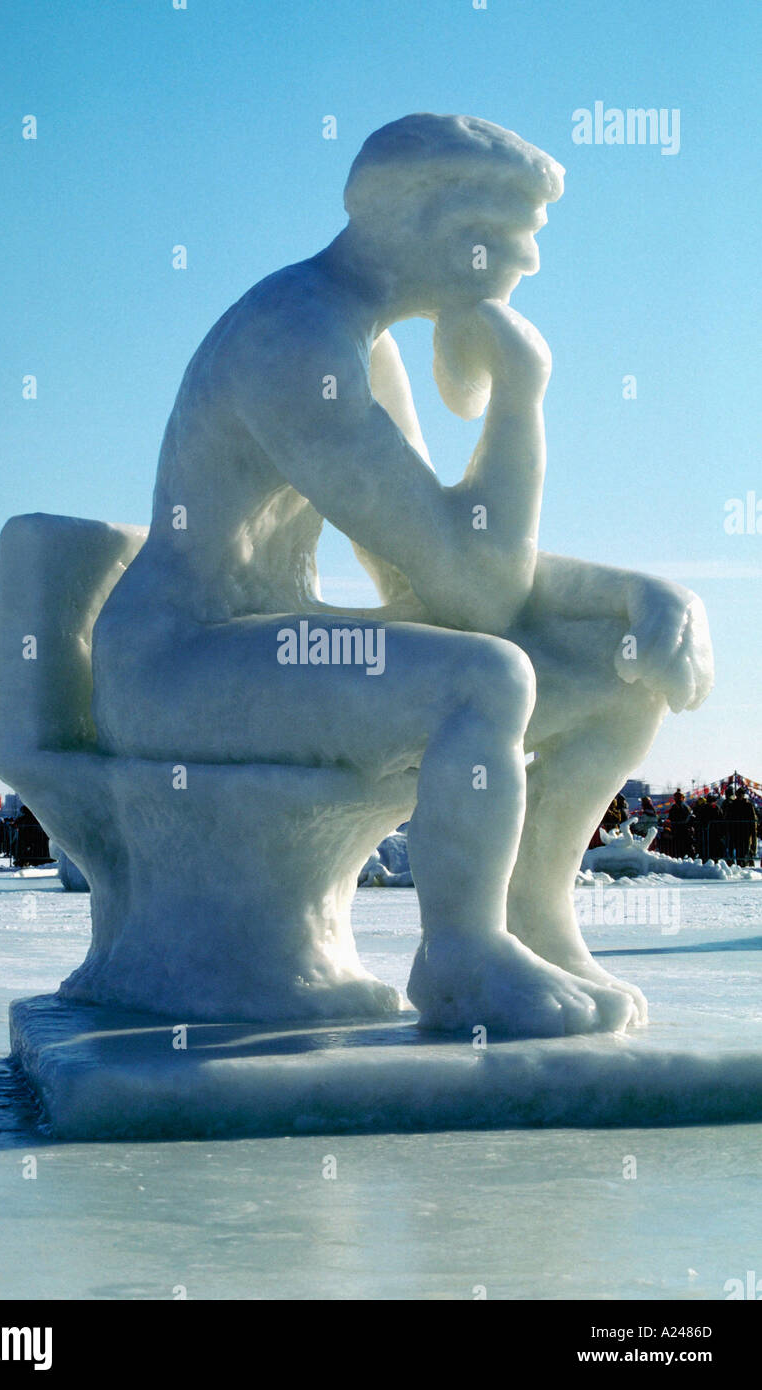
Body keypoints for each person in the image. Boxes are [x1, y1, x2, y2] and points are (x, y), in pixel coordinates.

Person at [89, 113, 713, 1036]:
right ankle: (459, 960)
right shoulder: (297, 343)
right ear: (423, 223)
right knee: (483, 673)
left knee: (623, 666)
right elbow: (476, 594)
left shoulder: (363, 344)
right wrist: (519, 394)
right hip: (179, 665)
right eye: (505, 237)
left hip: (269, 644)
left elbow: (428, 563)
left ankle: (530, 923)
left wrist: (632, 596)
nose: (527, 265)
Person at [732, 785, 758, 867]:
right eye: (738, 794)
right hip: (736, 831)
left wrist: (753, 830)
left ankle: (748, 865)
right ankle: (740, 865)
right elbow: (729, 816)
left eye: (741, 794)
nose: (740, 796)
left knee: (747, 849)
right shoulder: (733, 805)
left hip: (746, 831)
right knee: (738, 850)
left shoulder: (748, 805)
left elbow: (753, 818)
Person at [667, 790, 694, 858]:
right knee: (687, 847)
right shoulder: (686, 806)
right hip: (685, 829)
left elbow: (671, 817)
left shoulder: (676, 807)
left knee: (681, 848)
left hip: (679, 830)